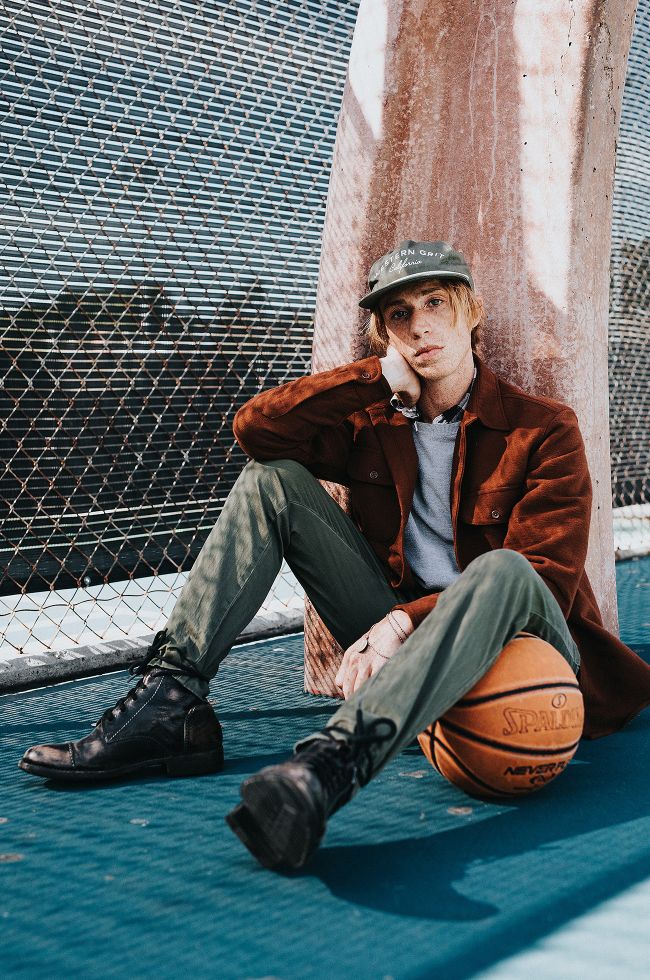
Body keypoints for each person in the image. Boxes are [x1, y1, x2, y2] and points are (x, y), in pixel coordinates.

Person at [19, 240, 650, 872]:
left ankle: (328, 768)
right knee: (271, 481)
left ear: (471, 311)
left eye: (435, 302)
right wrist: (373, 378)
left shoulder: (543, 428)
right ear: (385, 335)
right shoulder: (373, 421)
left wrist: (403, 622)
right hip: (399, 636)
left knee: (503, 567)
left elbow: (546, 577)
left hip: (526, 645)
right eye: (399, 314)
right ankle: (169, 701)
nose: (420, 325)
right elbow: (257, 432)